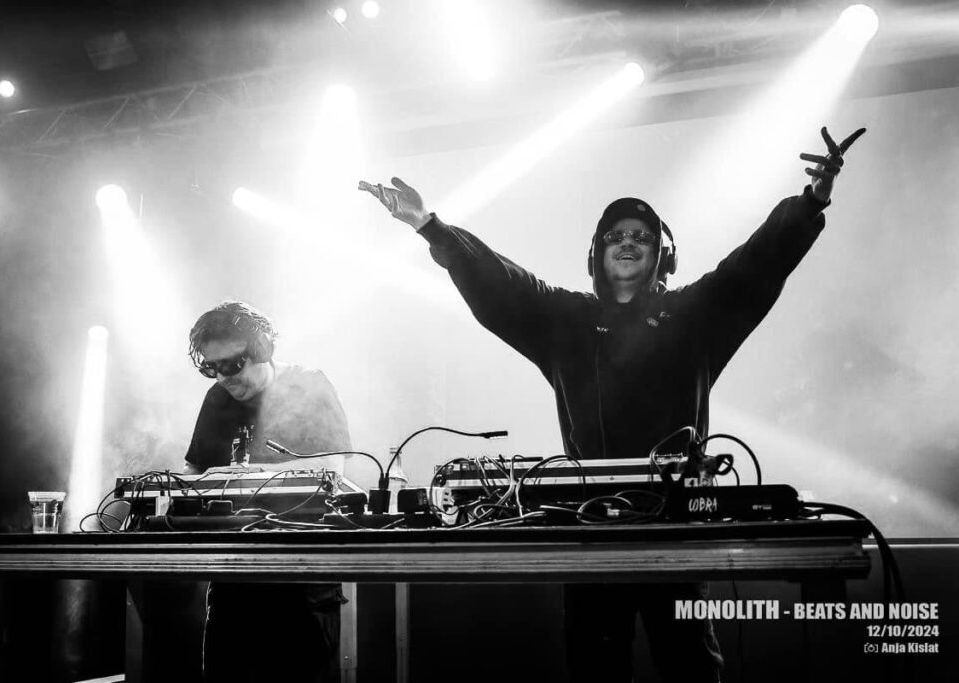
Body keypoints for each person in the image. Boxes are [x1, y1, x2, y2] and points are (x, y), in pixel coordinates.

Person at [360, 126, 865, 682]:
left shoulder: (694, 317)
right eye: (616, 235)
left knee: (691, 667)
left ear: (661, 255)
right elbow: (499, 282)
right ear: (597, 253)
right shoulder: (567, 321)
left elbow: (756, 265)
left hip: (675, 526)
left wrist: (810, 202)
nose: (628, 242)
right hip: (589, 526)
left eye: (642, 236)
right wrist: (429, 225)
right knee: (595, 669)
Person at [185, 300, 351, 683]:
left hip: (302, 577)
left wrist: (246, 475)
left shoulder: (309, 385)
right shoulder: (217, 398)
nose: (222, 377)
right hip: (233, 576)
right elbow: (194, 475)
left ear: (262, 348)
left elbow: (330, 472)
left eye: (231, 365)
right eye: (210, 368)